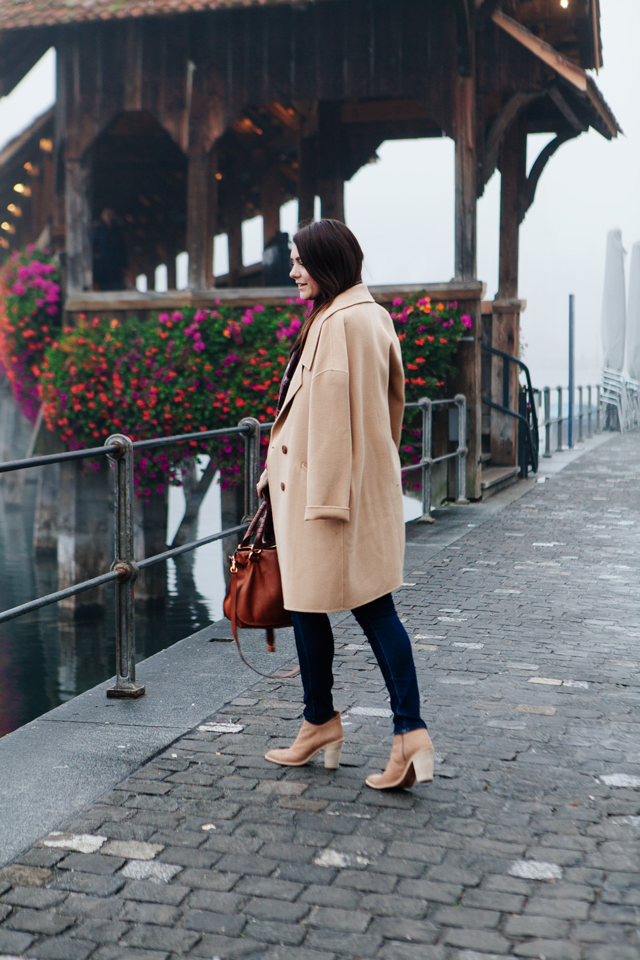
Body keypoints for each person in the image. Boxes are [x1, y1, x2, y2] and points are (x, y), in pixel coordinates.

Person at [258, 219, 433, 790]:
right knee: (315, 609)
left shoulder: (336, 323)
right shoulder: (371, 315)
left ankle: (404, 732)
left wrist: (323, 503)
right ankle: (322, 723)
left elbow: (330, 421)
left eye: (299, 261)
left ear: (326, 261)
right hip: (354, 490)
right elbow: (391, 408)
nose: (292, 271)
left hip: (326, 501)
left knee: (372, 611)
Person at [92, 207, 128, 291]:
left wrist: (125, 265)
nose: (108, 216)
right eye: (106, 214)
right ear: (102, 215)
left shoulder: (118, 231)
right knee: (103, 287)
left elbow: (122, 248)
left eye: (110, 214)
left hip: (116, 264)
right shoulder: (98, 230)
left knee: (116, 286)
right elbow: (94, 247)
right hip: (102, 264)